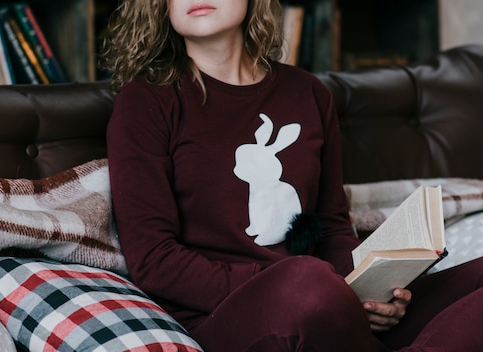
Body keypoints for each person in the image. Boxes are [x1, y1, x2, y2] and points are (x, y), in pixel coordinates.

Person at [100, 0, 483, 351]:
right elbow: (154, 260)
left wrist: (371, 294)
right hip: (229, 316)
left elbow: (332, 227)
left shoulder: (308, 93)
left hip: (330, 302)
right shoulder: (147, 101)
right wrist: (321, 286)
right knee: (306, 280)